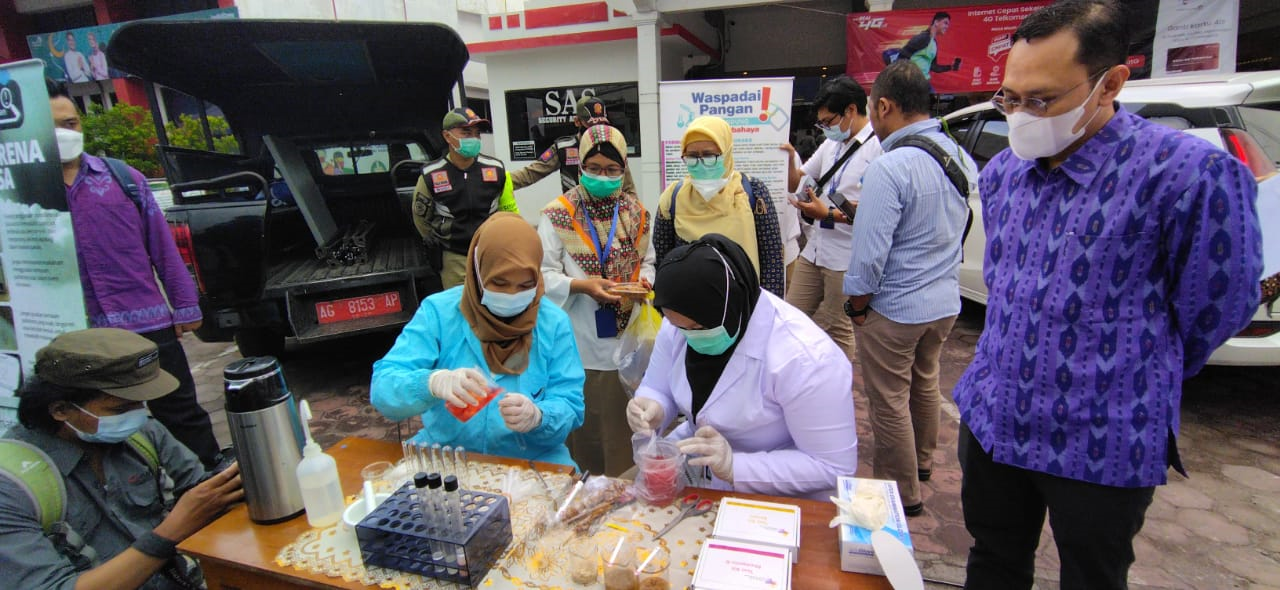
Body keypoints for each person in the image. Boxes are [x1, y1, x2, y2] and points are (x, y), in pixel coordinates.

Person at [953, 2, 1263, 589]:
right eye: (1008, 98)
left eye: (1040, 100)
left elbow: (1218, 304)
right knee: (993, 561)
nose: (1020, 115)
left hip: (1101, 436)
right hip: (996, 419)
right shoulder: (1003, 174)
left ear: (1110, 83)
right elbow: (1002, 285)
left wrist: (1136, 367)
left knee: (1094, 577)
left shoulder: (1186, 174)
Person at [49, 79, 224, 470]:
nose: (64, 134)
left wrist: (184, 306)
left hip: (145, 325)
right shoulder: (22, 195)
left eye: (71, 123)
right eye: (53, 127)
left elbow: (163, 248)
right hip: (76, 337)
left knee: (180, 411)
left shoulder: (122, 180)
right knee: (95, 422)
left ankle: (209, 482)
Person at [0, 328, 243, 590]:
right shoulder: (13, 488)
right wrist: (169, 534)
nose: (138, 415)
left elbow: (204, 489)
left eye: (139, 403)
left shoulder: (142, 435)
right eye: (121, 409)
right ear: (61, 410)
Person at [843, 60, 978, 517]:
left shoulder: (890, 167)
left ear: (884, 106)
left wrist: (857, 306)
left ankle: (902, 496)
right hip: (943, 302)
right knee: (925, 383)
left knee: (888, 403)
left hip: (896, 309)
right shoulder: (959, 155)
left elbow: (868, 257)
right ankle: (921, 465)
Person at [625, 235, 858, 499]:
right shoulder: (680, 320)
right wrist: (654, 407)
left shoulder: (805, 359)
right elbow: (658, 386)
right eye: (680, 327)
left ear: (729, 308)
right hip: (701, 471)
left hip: (782, 494)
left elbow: (833, 465)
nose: (689, 336)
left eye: (699, 328)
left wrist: (736, 466)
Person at [371, 213, 586, 468]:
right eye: (499, 282)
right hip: (447, 455)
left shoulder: (553, 323)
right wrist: (431, 382)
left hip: (531, 460)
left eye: (524, 285)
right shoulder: (439, 313)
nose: (511, 295)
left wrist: (539, 416)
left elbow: (570, 404)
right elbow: (383, 388)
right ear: (478, 272)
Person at [537, 124, 654, 476]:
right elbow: (541, 273)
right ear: (580, 168)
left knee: (623, 428)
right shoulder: (558, 214)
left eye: (612, 169)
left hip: (628, 336)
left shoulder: (637, 214)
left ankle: (624, 491)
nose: (603, 176)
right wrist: (581, 285)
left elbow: (649, 260)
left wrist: (645, 281)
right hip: (579, 337)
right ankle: (584, 491)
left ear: (624, 170)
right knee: (585, 430)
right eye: (595, 168)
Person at [782, 75, 883, 363]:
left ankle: (838, 393)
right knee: (792, 316)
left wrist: (826, 213)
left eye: (828, 121)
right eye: (822, 124)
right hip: (815, 248)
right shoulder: (831, 145)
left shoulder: (878, 147)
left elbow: (875, 211)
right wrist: (790, 158)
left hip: (847, 255)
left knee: (838, 328)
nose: (826, 129)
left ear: (851, 110)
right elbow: (796, 182)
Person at [653, 116, 786, 296]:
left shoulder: (752, 192)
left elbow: (772, 260)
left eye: (709, 155)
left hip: (743, 305)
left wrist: (767, 310)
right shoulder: (672, 198)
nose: (700, 164)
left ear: (726, 153)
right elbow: (662, 259)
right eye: (692, 156)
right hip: (689, 307)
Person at [413, 107, 519, 289]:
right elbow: (421, 219)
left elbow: (506, 210)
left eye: (477, 133)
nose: (474, 138)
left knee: (495, 305)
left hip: (491, 252)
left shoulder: (495, 169)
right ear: (447, 136)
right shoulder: (431, 175)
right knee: (459, 309)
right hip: (454, 257)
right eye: (466, 132)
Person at [510, 96, 636, 195]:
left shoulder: (614, 146)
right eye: (591, 125)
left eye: (601, 124)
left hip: (609, 214)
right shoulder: (564, 148)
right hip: (574, 214)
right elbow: (531, 173)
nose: (596, 130)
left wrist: (634, 215)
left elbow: (629, 188)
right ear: (577, 121)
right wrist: (499, 181)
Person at [900, 12, 961, 88]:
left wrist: (951, 67)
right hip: (912, 83)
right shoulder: (923, 38)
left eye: (948, 24)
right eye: (945, 23)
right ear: (936, 22)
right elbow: (901, 57)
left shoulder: (934, 43)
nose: (947, 26)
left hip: (924, 82)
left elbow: (934, 67)